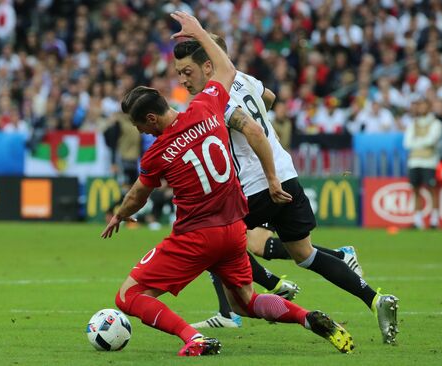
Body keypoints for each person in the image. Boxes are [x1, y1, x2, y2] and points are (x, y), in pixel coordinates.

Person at [102, 11, 354, 357]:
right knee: (246, 303)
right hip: (234, 231)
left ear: (150, 118)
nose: (139, 132)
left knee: (128, 296)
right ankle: (307, 318)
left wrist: (119, 214)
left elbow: (137, 196)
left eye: (138, 125)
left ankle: (193, 338)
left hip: (196, 236)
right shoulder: (206, 107)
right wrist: (201, 33)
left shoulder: (156, 153)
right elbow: (227, 72)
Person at [173, 35, 399, 344]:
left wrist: (269, 177)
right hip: (287, 174)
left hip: (259, 185)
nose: (183, 80)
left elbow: (251, 130)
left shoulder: (218, 99)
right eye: (179, 74)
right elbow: (269, 97)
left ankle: (263, 291)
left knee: (212, 240)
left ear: (209, 65)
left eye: (188, 72)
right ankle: (374, 299)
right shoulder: (244, 80)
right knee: (304, 254)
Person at [403, 96, 442, 229]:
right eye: (419, 106)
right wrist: (422, 143)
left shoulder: (435, 123)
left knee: (432, 189)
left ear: (428, 107)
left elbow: (432, 140)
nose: (421, 108)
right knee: (415, 190)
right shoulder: (413, 123)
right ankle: (418, 221)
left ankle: (434, 220)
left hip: (429, 161)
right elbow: (407, 143)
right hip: (414, 161)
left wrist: (417, 142)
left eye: (424, 106)